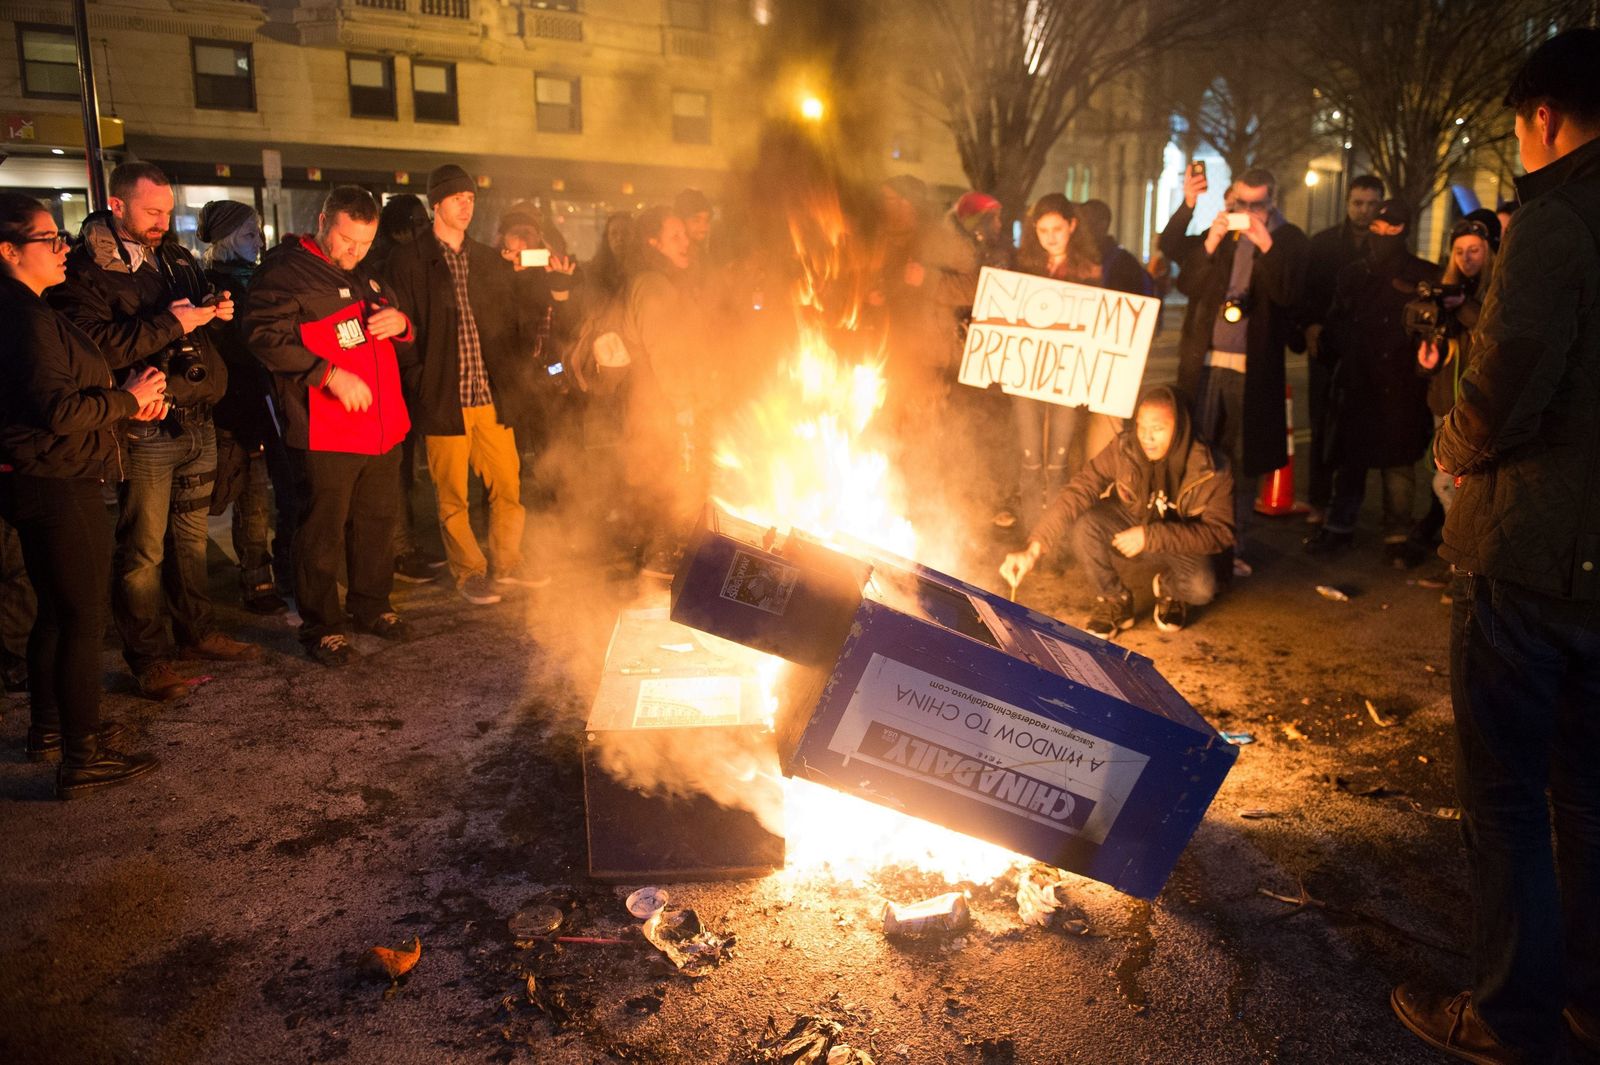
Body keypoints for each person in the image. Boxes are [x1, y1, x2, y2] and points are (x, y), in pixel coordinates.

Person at [1390, 27, 1600, 1065]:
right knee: (1588, 793)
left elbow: (1505, 386)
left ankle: (1509, 1012)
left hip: (1530, 563)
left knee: (1507, 797)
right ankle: (1589, 998)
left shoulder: (1557, 222)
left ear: (1541, 117)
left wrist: (1450, 445)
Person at [50, 162, 258, 702]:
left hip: (196, 415)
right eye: (152, 211)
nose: (164, 221)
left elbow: (188, 317)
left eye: (168, 210)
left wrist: (215, 311)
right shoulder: (85, 270)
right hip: (145, 426)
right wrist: (175, 323)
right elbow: (92, 348)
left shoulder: (174, 257)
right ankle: (148, 659)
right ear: (116, 206)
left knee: (190, 540)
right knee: (143, 548)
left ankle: (196, 632)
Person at [0, 191, 167, 796]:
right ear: (9, 251)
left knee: (56, 611)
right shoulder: (24, 317)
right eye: (48, 239)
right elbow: (60, 410)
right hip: (60, 481)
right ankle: (82, 755)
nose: (63, 247)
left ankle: (50, 728)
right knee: (81, 619)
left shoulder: (28, 309)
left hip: (45, 476)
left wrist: (121, 397)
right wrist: (129, 399)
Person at [243, 185, 415, 666]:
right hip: (326, 428)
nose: (354, 252)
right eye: (346, 240)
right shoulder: (284, 271)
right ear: (324, 221)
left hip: (381, 425)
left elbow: (399, 331)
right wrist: (328, 374)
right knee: (321, 529)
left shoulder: (366, 275)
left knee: (377, 522)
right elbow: (260, 335)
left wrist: (400, 323)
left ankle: (371, 605)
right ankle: (322, 626)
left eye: (364, 243)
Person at [384, 164, 546, 606]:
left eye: (471, 198)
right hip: (443, 396)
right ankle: (469, 571)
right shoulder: (409, 260)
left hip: (490, 395)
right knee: (452, 494)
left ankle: (509, 562)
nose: (466, 205)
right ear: (436, 202)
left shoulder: (488, 260)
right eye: (457, 197)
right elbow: (401, 332)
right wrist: (420, 380)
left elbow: (513, 323)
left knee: (508, 486)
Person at [1160, 166, 1307, 576]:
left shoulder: (1289, 239)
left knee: (1240, 459)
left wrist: (1268, 247)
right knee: (1199, 451)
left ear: (1272, 200)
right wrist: (1205, 234)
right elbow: (1182, 274)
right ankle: (1192, 537)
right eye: (1241, 202)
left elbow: (1290, 294)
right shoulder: (1221, 236)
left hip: (1251, 367)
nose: (1248, 210)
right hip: (1205, 363)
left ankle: (1233, 542)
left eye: (1256, 204)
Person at [1000, 386, 1233, 637]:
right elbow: (1079, 490)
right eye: (1142, 427)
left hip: (1179, 539)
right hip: (1130, 524)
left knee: (1201, 588)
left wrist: (1151, 536)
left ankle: (1170, 589)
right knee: (1086, 525)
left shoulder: (1211, 467)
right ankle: (1114, 599)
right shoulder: (1125, 448)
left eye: (1158, 429)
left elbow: (1221, 533)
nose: (1147, 437)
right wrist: (1034, 548)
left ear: (1179, 427)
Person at [1305, 199, 1437, 561]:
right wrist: (1331, 352)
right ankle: (1340, 526)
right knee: (1351, 460)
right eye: (1377, 229)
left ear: (1403, 230)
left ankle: (1397, 534)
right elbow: (1336, 322)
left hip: (1401, 385)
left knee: (1398, 465)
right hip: (1357, 380)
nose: (1382, 235)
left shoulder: (1422, 276)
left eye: (1391, 228)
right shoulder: (1353, 273)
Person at [199, 199, 293, 615]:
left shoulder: (257, 279)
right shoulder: (214, 287)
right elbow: (235, 348)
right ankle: (257, 579)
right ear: (228, 238)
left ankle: (276, 572)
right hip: (235, 406)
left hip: (265, 402)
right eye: (251, 234)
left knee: (273, 493)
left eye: (259, 233)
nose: (259, 242)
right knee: (248, 495)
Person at [1002, 194, 1109, 532]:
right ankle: (1033, 532)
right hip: (1027, 375)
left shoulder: (1090, 271)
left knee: (1058, 462)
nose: (1050, 237)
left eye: (1057, 229)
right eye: (1043, 229)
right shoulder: (1025, 268)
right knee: (1031, 458)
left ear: (1072, 227)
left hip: (1068, 376)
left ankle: (1055, 538)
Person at [1410, 218, 1495, 588]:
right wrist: (1426, 360)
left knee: (1451, 488)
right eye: (1459, 252)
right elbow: (1432, 350)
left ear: (1489, 251)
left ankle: (1467, 568)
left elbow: (1489, 329)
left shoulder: (1495, 291)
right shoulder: (1447, 290)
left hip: (1478, 407)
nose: (1466, 259)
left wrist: (1462, 304)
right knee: (1449, 486)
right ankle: (1461, 568)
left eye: (1474, 250)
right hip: (1446, 403)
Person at [1299, 174, 1385, 524]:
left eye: (1370, 204)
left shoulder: (1384, 247)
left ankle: (1347, 505)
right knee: (1321, 424)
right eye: (1357, 203)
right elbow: (1308, 292)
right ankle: (1318, 501)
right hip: (1327, 346)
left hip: (1365, 351)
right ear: (1347, 204)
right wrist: (1310, 326)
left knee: (1358, 428)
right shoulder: (1323, 244)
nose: (1363, 211)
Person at [365, 194, 442, 586]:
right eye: (417, 221)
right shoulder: (384, 267)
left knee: (403, 470)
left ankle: (404, 544)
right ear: (397, 229)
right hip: (386, 384)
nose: (425, 227)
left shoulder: (414, 260)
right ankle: (398, 549)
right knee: (394, 472)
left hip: (403, 381)